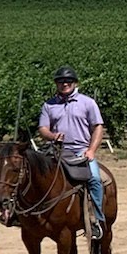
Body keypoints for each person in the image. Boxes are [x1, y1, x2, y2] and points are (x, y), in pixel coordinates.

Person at [37, 65, 106, 237]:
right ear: (56, 84)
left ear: (75, 82)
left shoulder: (87, 103)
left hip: (80, 151)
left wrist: (91, 150)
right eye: (60, 81)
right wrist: (52, 136)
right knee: (32, 173)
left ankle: (95, 220)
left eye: (68, 81)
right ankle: (20, 214)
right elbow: (43, 129)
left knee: (95, 179)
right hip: (56, 151)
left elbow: (98, 127)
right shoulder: (49, 105)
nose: (64, 84)